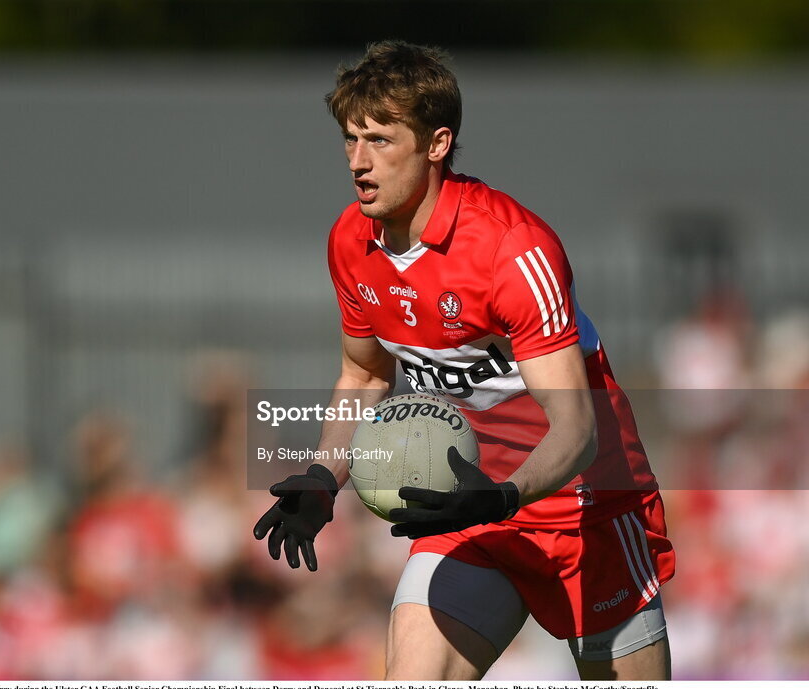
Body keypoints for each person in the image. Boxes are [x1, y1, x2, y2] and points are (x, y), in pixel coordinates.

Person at [253, 41, 675, 681]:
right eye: (349, 140)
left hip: (582, 512)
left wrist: (504, 496)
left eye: (380, 140)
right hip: (463, 510)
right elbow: (365, 376)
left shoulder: (512, 248)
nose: (358, 162)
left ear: (436, 144)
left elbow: (577, 429)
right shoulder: (350, 239)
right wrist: (321, 476)